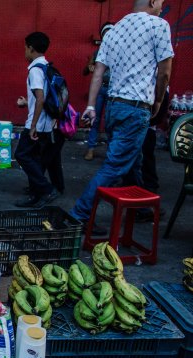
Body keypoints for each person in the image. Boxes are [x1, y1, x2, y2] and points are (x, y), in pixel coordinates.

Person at [72, 0, 173, 231]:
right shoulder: (159, 25)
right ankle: (80, 215)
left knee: (133, 160)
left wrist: (90, 107)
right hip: (135, 108)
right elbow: (165, 71)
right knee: (115, 166)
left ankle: (142, 209)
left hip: (114, 107)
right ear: (152, 1)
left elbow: (98, 71)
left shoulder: (115, 29)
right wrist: (158, 101)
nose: (162, 7)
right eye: (162, 2)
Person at [14, 31, 61, 208]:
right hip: (47, 123)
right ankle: (36, 193)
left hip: (37, 124)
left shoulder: (35, 70)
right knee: (34, 158)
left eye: (25, 48)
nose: (24, 51)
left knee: (21, 154)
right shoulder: (46, 66)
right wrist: (27, 102)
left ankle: (46, 189)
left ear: (31, 48)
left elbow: (40, 98)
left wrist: (32, 126)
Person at [83, 22, 114, 161]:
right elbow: (85, 71)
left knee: (110, 122)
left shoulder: (119, 51)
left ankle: (110, 151)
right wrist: (89, 66)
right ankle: (90, 149)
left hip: (113, 91)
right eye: (105, 34)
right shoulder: (97, 52)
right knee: (94, 120)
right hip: (100, 89)